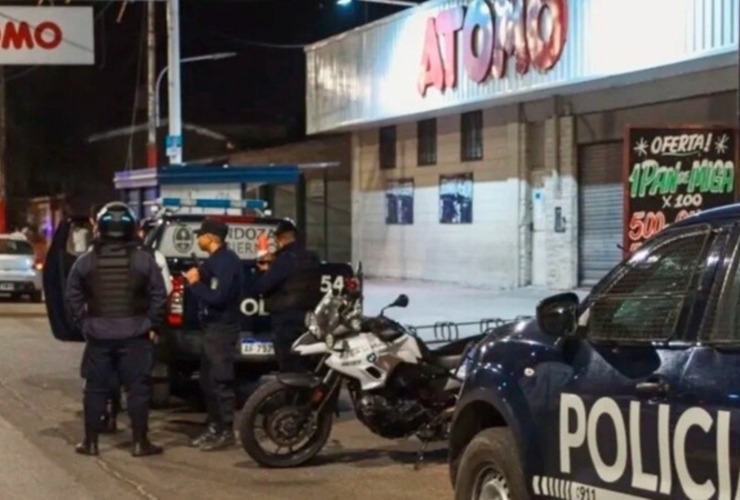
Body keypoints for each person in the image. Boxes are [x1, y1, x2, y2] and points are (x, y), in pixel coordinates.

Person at [65, 202, 167, 457]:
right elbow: (159, 295)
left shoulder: (86, 261)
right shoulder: (144, 260)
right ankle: (139, 443)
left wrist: (83, 323)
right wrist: (151, 323)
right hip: (135, 335)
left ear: (100, 228)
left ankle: (90, 443)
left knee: (95, 389)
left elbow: (72, 294)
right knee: (137, 389)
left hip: (99, 335)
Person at [183, 218, 242, 451]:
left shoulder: (227, 261)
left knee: (220, 380)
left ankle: (226, 430)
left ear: (210, 238)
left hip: (222, 328)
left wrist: (196, 284)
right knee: (208, 380)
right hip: (211, 328)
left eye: (201, 235)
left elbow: (218, 297)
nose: (198, 239)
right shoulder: (215, 261)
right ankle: (214, 427)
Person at [252, 219, 322, 373]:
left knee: (289, 368)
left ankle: (293, 396)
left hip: (286, 321)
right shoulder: (312, 258)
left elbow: (261, 286)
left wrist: (264, 270)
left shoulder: (285, 260)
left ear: (280, 239)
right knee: (305, 365)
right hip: (308, 319)